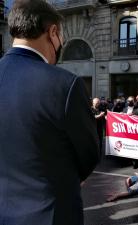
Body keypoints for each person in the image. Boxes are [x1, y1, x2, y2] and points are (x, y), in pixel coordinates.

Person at [0, 1, 100, 225]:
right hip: (49, 215)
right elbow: (89, 155)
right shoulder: (65, 84)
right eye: (61, 36)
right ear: (53, 32)